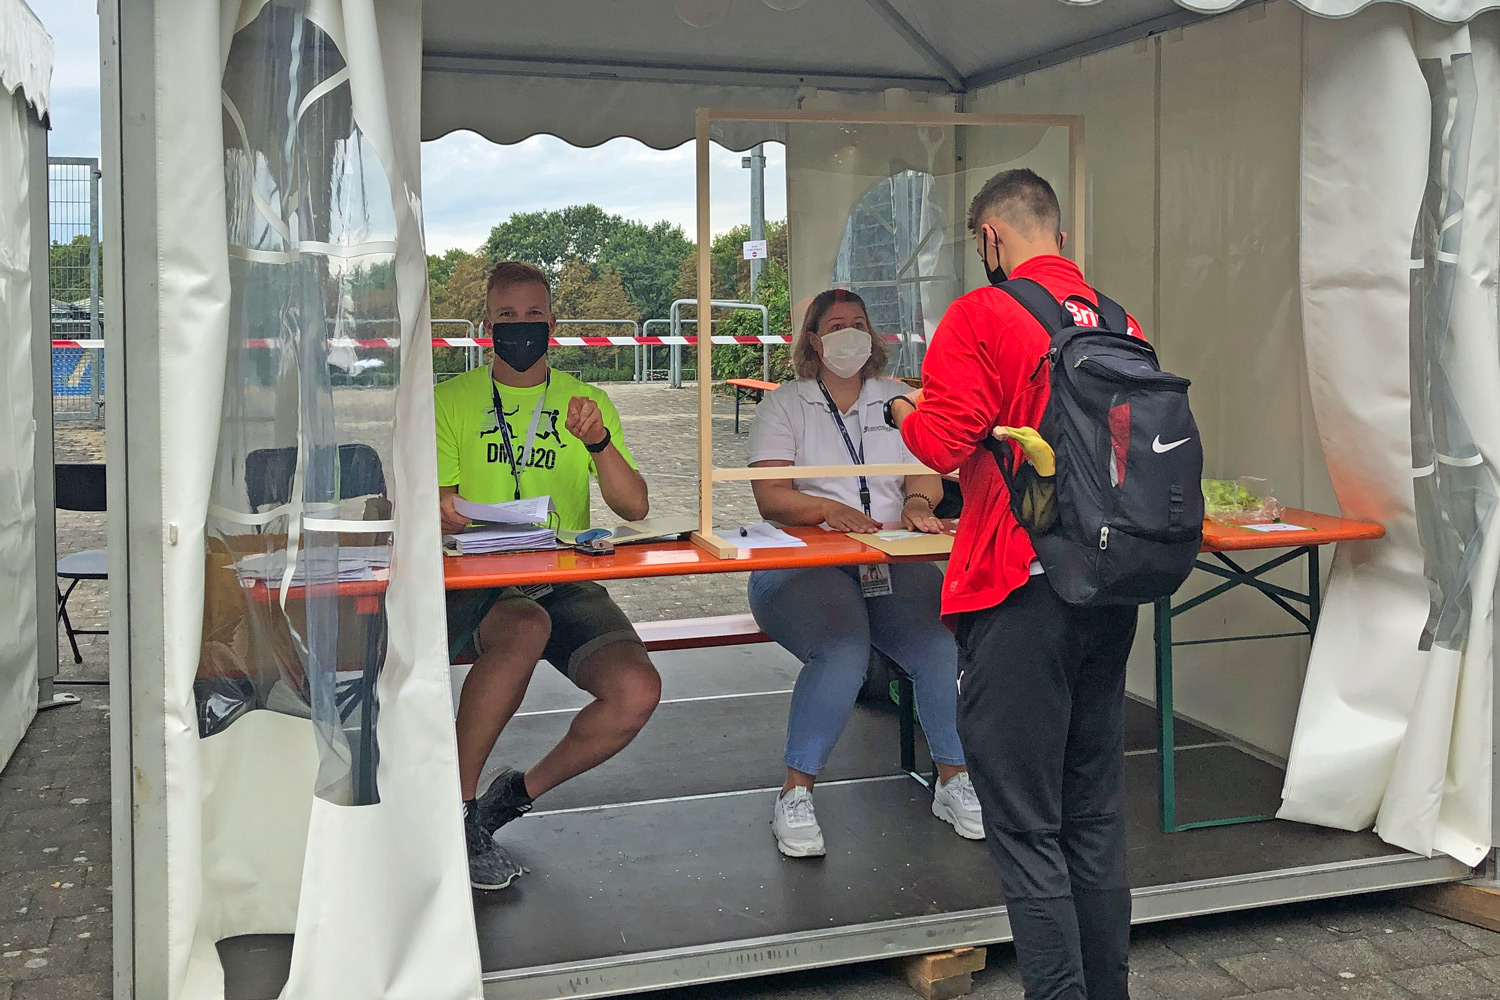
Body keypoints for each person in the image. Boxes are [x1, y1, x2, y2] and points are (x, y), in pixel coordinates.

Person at [887, 169, 1145, 1000]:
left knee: (1026, 825)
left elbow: (942, 443)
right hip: (1107, 582)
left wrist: (903, 412)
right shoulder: (1121, 321)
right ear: (1059, 237)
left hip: (1019, 584)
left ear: (990, 238)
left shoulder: (982, 313)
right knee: (1092, 815)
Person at [435, 261, 661, 890]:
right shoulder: (450, 400)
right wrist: (444, 509)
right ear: (486, 325)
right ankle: (455, 810)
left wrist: (599, 444)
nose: (520, 327)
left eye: (533, 315)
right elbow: (438, 500)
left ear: (553, 324)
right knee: (524, 626)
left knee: (636, 693)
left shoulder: (585, 402)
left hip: (562, 576)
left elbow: (634, 507)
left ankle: (513, 796)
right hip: (479, 579)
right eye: (506, 316)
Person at [745, 287, 984, 858]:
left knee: (939, 644)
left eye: (858, 322)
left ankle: (953, 780)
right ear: (813, 340)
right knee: (842, 651)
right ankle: (795, 794)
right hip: (806, 563)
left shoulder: (896, 399)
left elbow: (924, 474)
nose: (849, 333)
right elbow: (771, 497)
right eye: (835, 325)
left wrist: (919, 504)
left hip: (886, 558)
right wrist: (826, 510)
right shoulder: (787, 403)